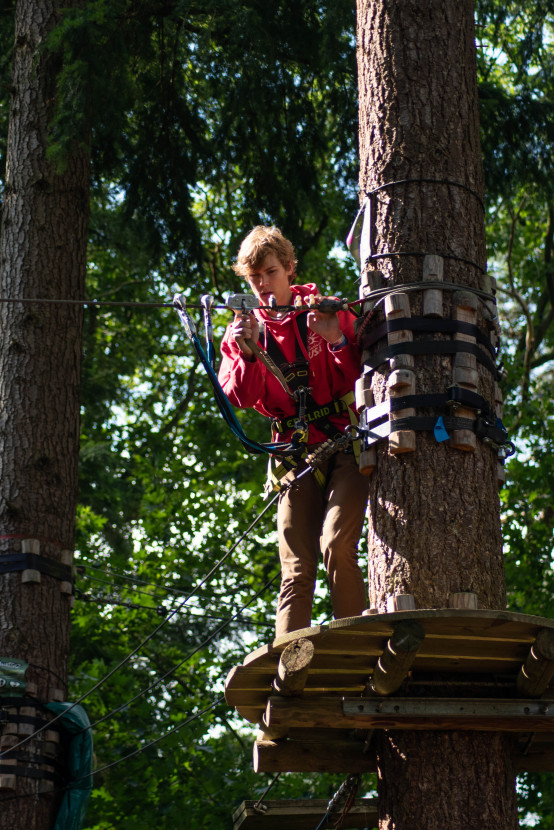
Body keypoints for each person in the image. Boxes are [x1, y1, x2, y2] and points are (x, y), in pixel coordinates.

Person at [218, 226, 369, 637]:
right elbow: (238, 397)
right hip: (293, 454)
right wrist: (247, 353)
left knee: (337, 548)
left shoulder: (324, 310)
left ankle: (355, 645)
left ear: (289, 268)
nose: (263, 285)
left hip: (346, 444)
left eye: (269, 273)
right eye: (254, 279)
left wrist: (335, 338)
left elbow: (364, 378)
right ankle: (288, 661)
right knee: (296, 569)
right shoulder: (242, 333)